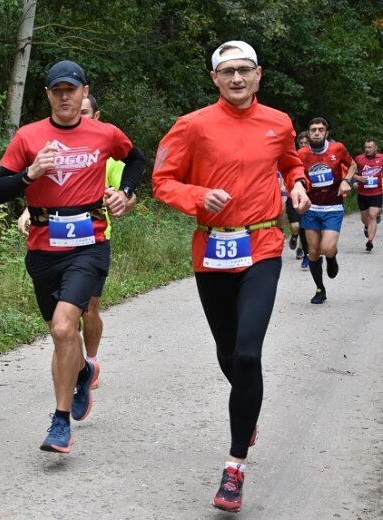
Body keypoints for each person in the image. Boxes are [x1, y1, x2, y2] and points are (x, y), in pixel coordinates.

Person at [151, 41, 310, 512]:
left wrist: (298, 183)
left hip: (262, 244)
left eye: (245, 71)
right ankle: (248, 406)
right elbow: (163, 181)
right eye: (228, 72)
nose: (237, 79)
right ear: (214, 78)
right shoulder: (192, 125)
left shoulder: (279, 122)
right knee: (227, 351)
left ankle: (234, 466)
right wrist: (198, 196)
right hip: (213, 249)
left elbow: (289, 160)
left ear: (259, 75)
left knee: (246, 350)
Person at [0, 60, 144, 454]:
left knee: (64, 329)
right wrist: (30, 174)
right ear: (47, 95)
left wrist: (125, 192)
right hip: (43, 249)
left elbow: (137, 159)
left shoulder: (104, 133)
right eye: (57, 90)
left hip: (89, 243)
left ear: (84, 93)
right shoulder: (28, 137)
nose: (64, 96)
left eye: (71, 89)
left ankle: (60, 424)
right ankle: (81, 372)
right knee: (60, 335)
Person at [16, 93, 130, 390]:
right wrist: (29, 211)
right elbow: (49, 191)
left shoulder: (107, 153)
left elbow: (128, 192)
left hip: (92, 241)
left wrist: (124, 198)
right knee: (62, 324)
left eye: (86, 112)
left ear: (96, 115)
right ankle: (75, 366)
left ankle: (90, 360)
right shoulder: (52, 147)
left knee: (89, 309)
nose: (79, 116)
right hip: (52, 243)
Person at [298, 117, 356, 303]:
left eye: (320, 130)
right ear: (308, 132)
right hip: (311, 207)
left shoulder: (337, 149)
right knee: (313, 252)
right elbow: (294, 173)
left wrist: (347, 181)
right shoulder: (301, 154)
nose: (316, 132)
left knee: (327, 248)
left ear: (326, 133)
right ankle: (319, 289)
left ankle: (331, 258)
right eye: (313, 129)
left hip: (333, 206)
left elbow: (353, 165)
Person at [351, 138, 383, 251]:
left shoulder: (381, 158)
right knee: (365, 218)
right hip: (363, 193)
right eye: (366, 147)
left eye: (370, 147)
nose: (367, 150)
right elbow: (351, 173)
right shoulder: (359, 159)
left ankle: (370, 240)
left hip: (377, 192)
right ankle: (366, 226)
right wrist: (356, 180)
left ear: (375, 148)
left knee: (372, 215)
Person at [289, 131, 310, 266]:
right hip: (292, 196)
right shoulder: (293, 156)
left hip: (307, 196)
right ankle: (294, 236)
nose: (303, 145)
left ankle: (302, 251)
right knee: (295, 226)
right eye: (300, 143)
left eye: (305, 143)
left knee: (303, 225)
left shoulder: (314, 157)